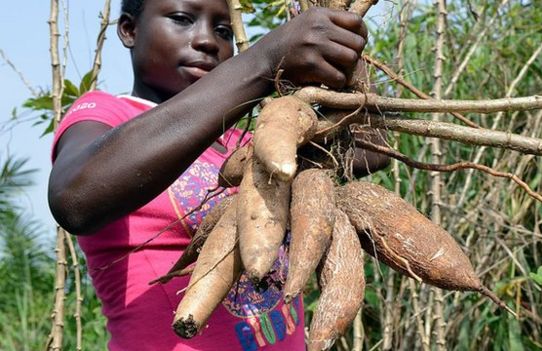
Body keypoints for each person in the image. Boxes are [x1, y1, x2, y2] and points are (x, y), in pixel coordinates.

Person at [48, 0, 386, 350]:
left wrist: (342, 41)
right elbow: (74, 198)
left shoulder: (246, 142)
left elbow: (370, 151)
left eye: (223, 31)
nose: (208, 41)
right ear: (129, 30)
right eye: (182, 19)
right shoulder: (108, 115)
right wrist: (263, 61)